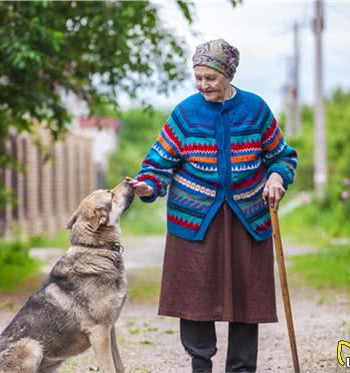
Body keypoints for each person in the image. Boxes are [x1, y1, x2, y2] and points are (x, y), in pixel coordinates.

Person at [127, 39, 298, 373]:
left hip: (247, 217)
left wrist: (277, 178)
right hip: (195, 219)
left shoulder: (256, 109)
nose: (203, 84)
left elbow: (282, 156)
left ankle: (242, 368)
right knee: (194, 297)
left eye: (210, 78)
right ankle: (200, 364)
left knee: (248, 298)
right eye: (198, 77)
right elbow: (158, 164)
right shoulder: (186, 113)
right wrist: (148, 185)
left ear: (228, 75)